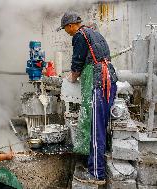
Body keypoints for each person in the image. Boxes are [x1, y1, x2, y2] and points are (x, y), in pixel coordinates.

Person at [56, 12, 118, 184]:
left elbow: (77, 62)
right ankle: (96, 165)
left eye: (65, 29)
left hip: (98, 82)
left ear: (70, 26)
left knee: (95, 127)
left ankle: (97, 174)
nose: (67, 32)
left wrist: (71, 79)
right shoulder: (94, 33)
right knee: (99, 126)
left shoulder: (79, 35)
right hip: (109, 80)